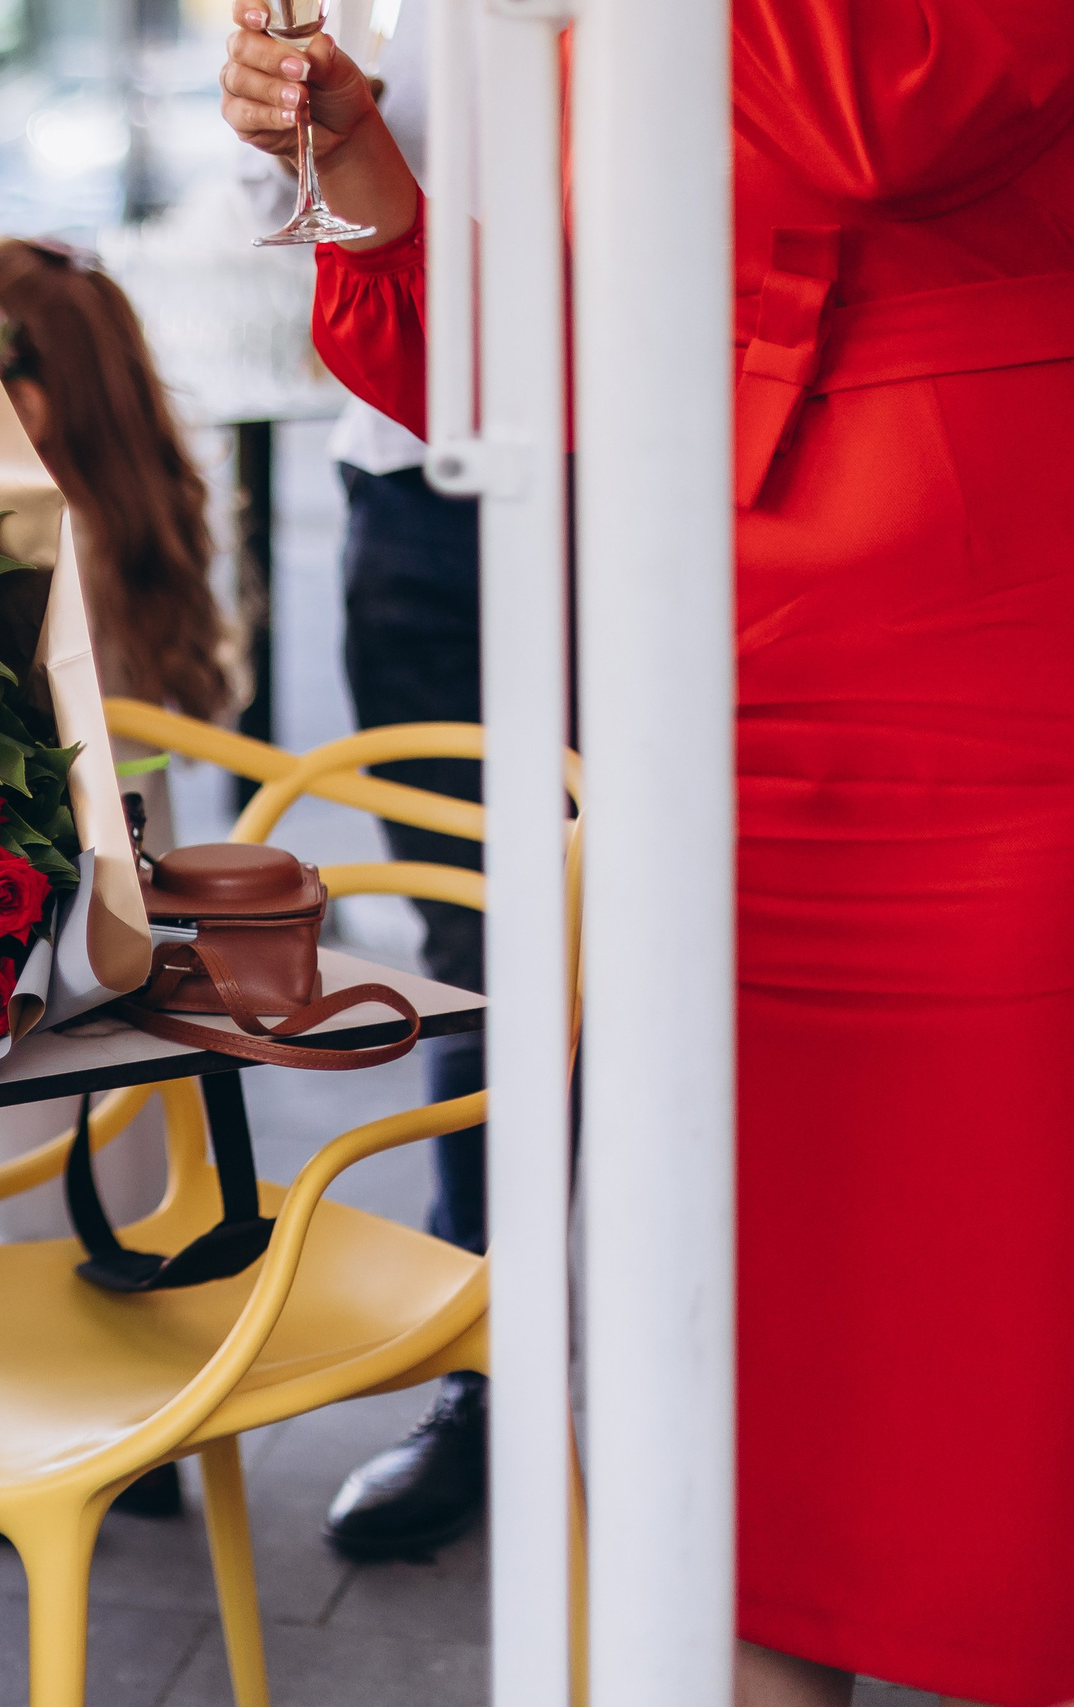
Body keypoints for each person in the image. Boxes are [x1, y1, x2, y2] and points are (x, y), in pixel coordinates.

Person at [222, 5, 1074, 1704]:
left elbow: (880, 115)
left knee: (1012, 1359)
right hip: (723, 687)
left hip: (1001, 688)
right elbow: (501, 377)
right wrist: (372, 178)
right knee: (739, 1399)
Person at [0, 240, 244, 1259]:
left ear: (23, 407)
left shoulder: (7, 541)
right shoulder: (126, 517)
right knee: (105, 1164)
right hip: (130, 891)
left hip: (28, 908)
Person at [301, 0, 494, 1565]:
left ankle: (749, 1379)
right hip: (412, 482)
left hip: (656, 445)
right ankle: (483, 1374)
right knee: (474, 948)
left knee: (722, 936)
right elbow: (282, 218)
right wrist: (304, 134)